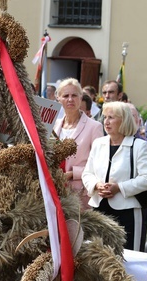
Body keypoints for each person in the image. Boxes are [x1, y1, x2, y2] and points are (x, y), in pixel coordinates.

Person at [82, 101, 147, 251]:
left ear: (124, 120)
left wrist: (119, 188)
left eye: (111, 118)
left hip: (129, 211)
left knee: (130, 256)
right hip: (100, 208)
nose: (106, 122)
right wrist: (96, 185)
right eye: (105, 117)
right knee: (99, 255)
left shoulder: (139, 145)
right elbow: (87, 173)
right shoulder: (98, 143)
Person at [54, 78, 104, 209]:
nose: (70, 99)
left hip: (81, 192)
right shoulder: (54, 126)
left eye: (74, 95)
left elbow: (100, 163)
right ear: (58, 99)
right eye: (65, 95)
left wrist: (73, 173)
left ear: (81, 97)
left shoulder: (94, 127)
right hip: (55, 191)